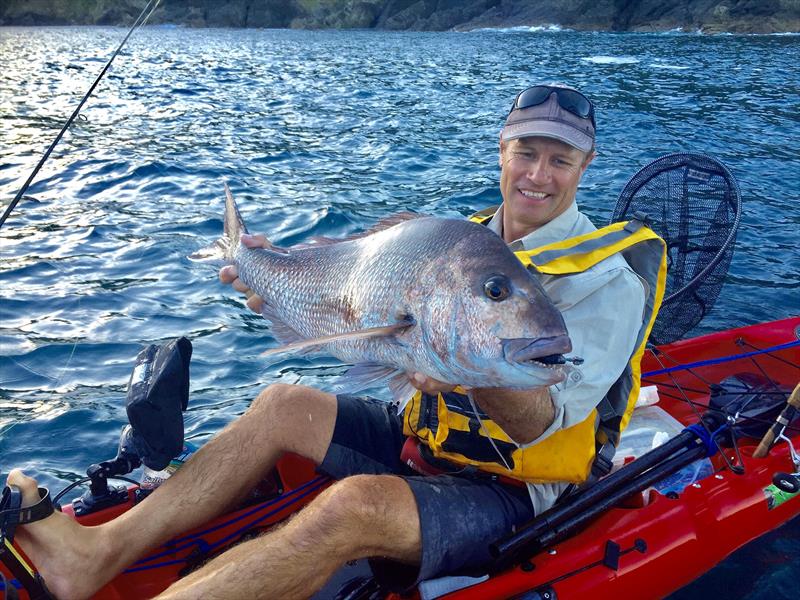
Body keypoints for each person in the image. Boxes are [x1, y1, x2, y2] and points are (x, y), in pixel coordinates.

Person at [6, 84, 652, 599]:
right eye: (526, 152)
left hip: (521, 492)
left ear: (584, 166)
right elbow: (354, 317)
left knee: (353, 507)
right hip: (424, 438)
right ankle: (94, 556)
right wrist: (278, 287)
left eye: (560, 159)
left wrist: (465, 363)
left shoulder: (608, 282)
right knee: (281, 402)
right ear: (503, 150)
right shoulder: (464, 238)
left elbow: (546, 426)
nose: (539, 174)